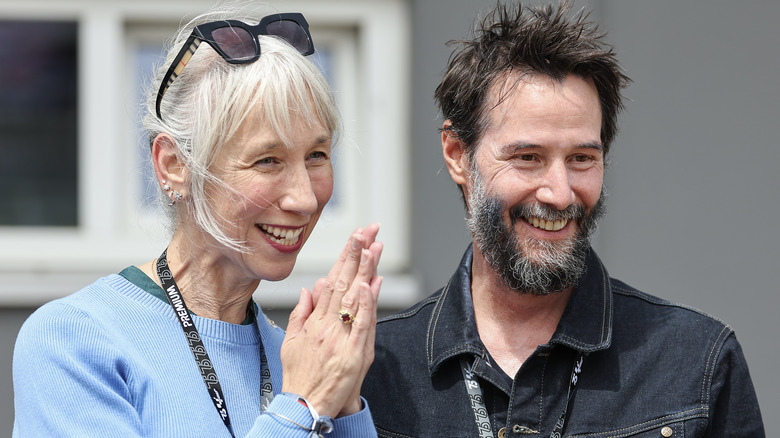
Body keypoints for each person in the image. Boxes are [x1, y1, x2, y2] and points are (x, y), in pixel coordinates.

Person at [362, 1, 765, 437]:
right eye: (528, 157)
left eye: (581, 158)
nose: (559, 192)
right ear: (458, 155)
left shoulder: (696, 363)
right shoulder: (375, 368)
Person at [13, 5, 383, 438]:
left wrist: (345, 400)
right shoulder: (76, 341)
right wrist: (301, 407)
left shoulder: (298, 357)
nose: (304, 197)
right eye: (268, 160)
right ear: (173, 165)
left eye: (317, 156)